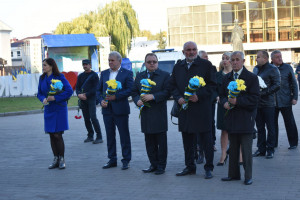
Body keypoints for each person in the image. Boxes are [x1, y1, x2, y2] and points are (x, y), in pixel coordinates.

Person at [169, 41, 216, 179]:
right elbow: (172, 85)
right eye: (188, 50)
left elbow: (213, 86)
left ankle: (208, 168)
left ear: (197, 50)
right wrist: (178, 97)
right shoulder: (178, 66)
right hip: (185, 110)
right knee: (188, 141)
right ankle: (190, 167)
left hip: (202, 109)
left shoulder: (206, 65)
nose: (191, 52)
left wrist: (199, 96)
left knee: (206, 141)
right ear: (183, 52)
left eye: (194, 49)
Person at [220, 51, 259, 185]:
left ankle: (248, 176)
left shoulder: (252, 78)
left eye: (237, 59)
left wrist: (238, 101)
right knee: (234, 148)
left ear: (243, 61)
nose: (235, 62)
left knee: (246, 150)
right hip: (231, 118)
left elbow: (254, 99)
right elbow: (222, 95)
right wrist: (224, 102)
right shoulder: (226, 78)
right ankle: (233, 174)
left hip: (246, 119)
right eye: (233, 60)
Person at [131, 53, 170, 175]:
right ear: (145, 63)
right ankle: (153, 164)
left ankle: (161, 166)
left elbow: (167, 92)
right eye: (149, 62)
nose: (152, 64)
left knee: (161, 142)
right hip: (146, 114)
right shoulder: (140, 76)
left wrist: (153, 96)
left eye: (154, 61)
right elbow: (134, 91)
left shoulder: (164, 75)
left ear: (157, 62)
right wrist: (137, 100)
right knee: (149, 141)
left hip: (159, 113)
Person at [98, 51, 133, 170]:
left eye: (112, 60)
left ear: (120, 61)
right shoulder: (103, 74)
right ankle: (112, 159)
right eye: (109, 60)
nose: (110, 62)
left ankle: (126, 160)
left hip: (121, 109)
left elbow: (130, 89)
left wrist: (116, 97)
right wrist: (101, 100)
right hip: (107, 110)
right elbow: (98, 91)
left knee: (124, 135)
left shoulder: (127, 73)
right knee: (109, 135)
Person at [37, 58, 73, 169]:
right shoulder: (42, 78)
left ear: (51, 66)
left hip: (59, 109)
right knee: (51, 135)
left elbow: (69, 91)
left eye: (45, 65)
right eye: (42, 65)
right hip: (49, 109)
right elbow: (39, 93)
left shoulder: (59, 77)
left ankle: (62, 159)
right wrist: (43, 99)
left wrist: (55, 98)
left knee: (58, 134)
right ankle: (55, 158)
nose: (43, 67)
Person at [253, 50, 280, 159]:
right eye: (256, 57)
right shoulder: (255, 69)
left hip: (268, 103)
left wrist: (264, 93)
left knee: (270, 127)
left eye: (258, 57)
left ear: (265, 58)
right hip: (257, 103)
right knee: (260, 127)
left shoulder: (273, 69)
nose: (256, 59)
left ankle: (270, 149)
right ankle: (261, 149)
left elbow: (277, 85)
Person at [271, 50, 298, 149]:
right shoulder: (269, 68)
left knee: (290, 122)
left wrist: (295, 97)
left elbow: (294, 84)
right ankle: (273, 144)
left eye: (280, 56)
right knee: (272, 124)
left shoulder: (287, 68)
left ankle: (293, 143)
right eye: (277, 57)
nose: (280, 58)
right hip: (272, 102)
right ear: (272, 59)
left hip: (286, 100)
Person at [76, 59, 103, 144]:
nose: (85, 66)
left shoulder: (94, 75)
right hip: (83, 100)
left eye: (86, 64)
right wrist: (79, 94)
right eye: (84, 64)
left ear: (90, 65)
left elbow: (96, 88)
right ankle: (90, 135)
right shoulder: (80, 76)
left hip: (91, 99)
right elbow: (77, 87)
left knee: (93, 118)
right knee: (86, 118)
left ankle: (99, 136)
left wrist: (86, 95)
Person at [216, 52, 232, 166]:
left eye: (227, 58)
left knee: (237, 129)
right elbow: (214, 89)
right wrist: (217, 96)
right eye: (223, 58)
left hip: (236, 105)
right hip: (222, 104)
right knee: (224, 130)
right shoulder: (218, 75)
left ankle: (239, 153)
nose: (224, 60)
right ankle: (223, 154)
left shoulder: (236, 74)